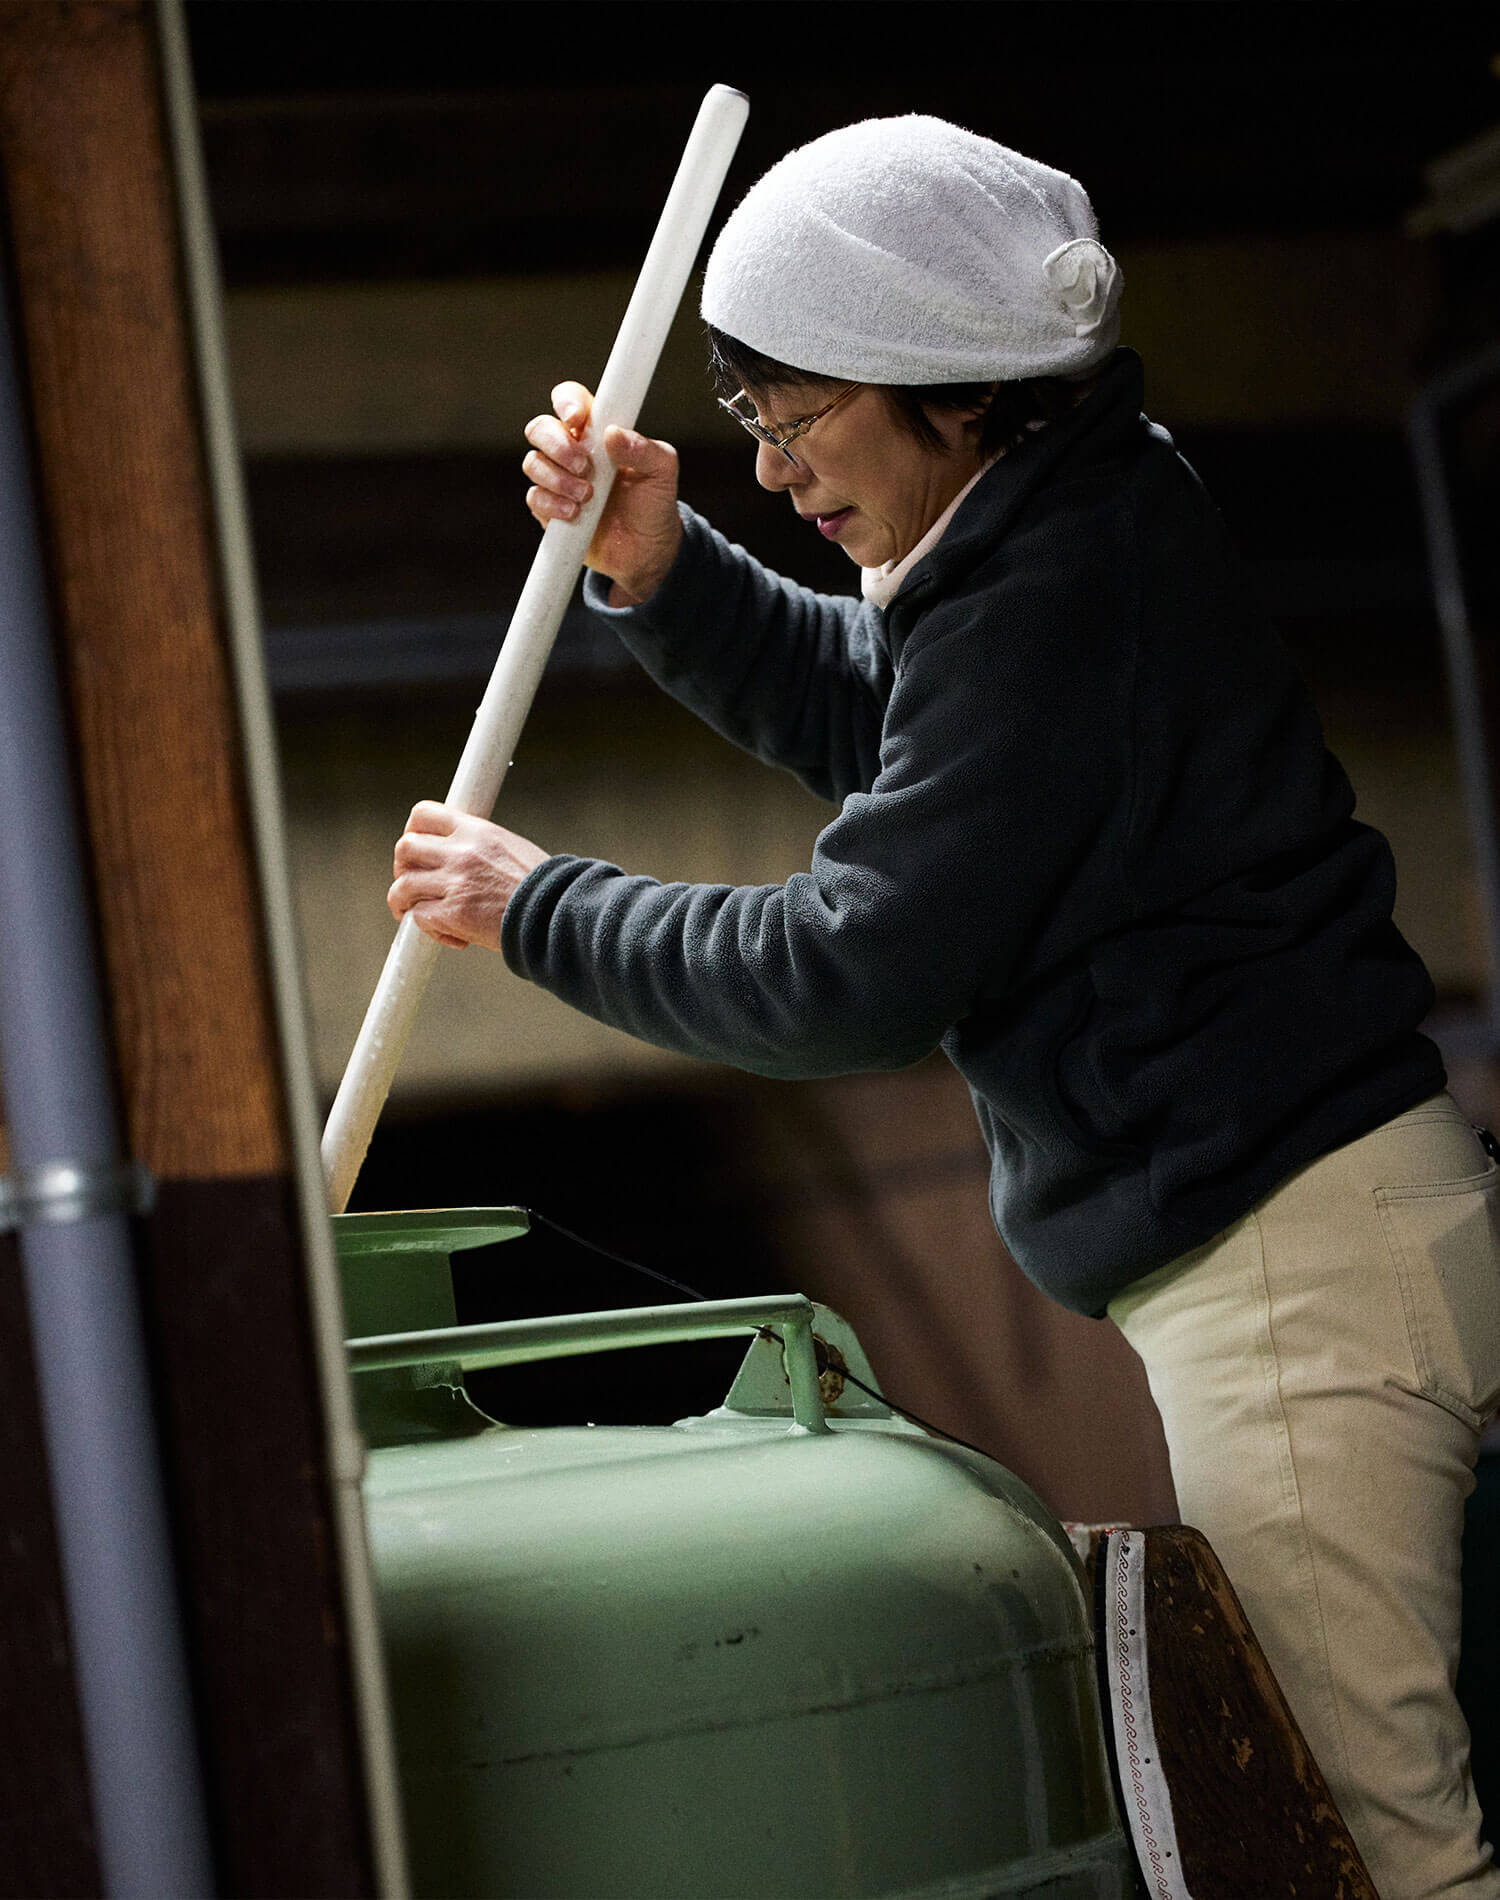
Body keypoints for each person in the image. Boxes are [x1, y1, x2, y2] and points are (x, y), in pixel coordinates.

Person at [387, 116, 1500, 1896]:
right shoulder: (1065, 525)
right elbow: (900, 729)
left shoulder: (1054, 589)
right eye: (752, 421)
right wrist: (664, 573)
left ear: (948, 386)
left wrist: (550, 911)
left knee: (1367, 1856)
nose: (771, 469)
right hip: (1331, 1226)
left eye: (794, 414)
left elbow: (854, 966)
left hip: (1299, 1287)